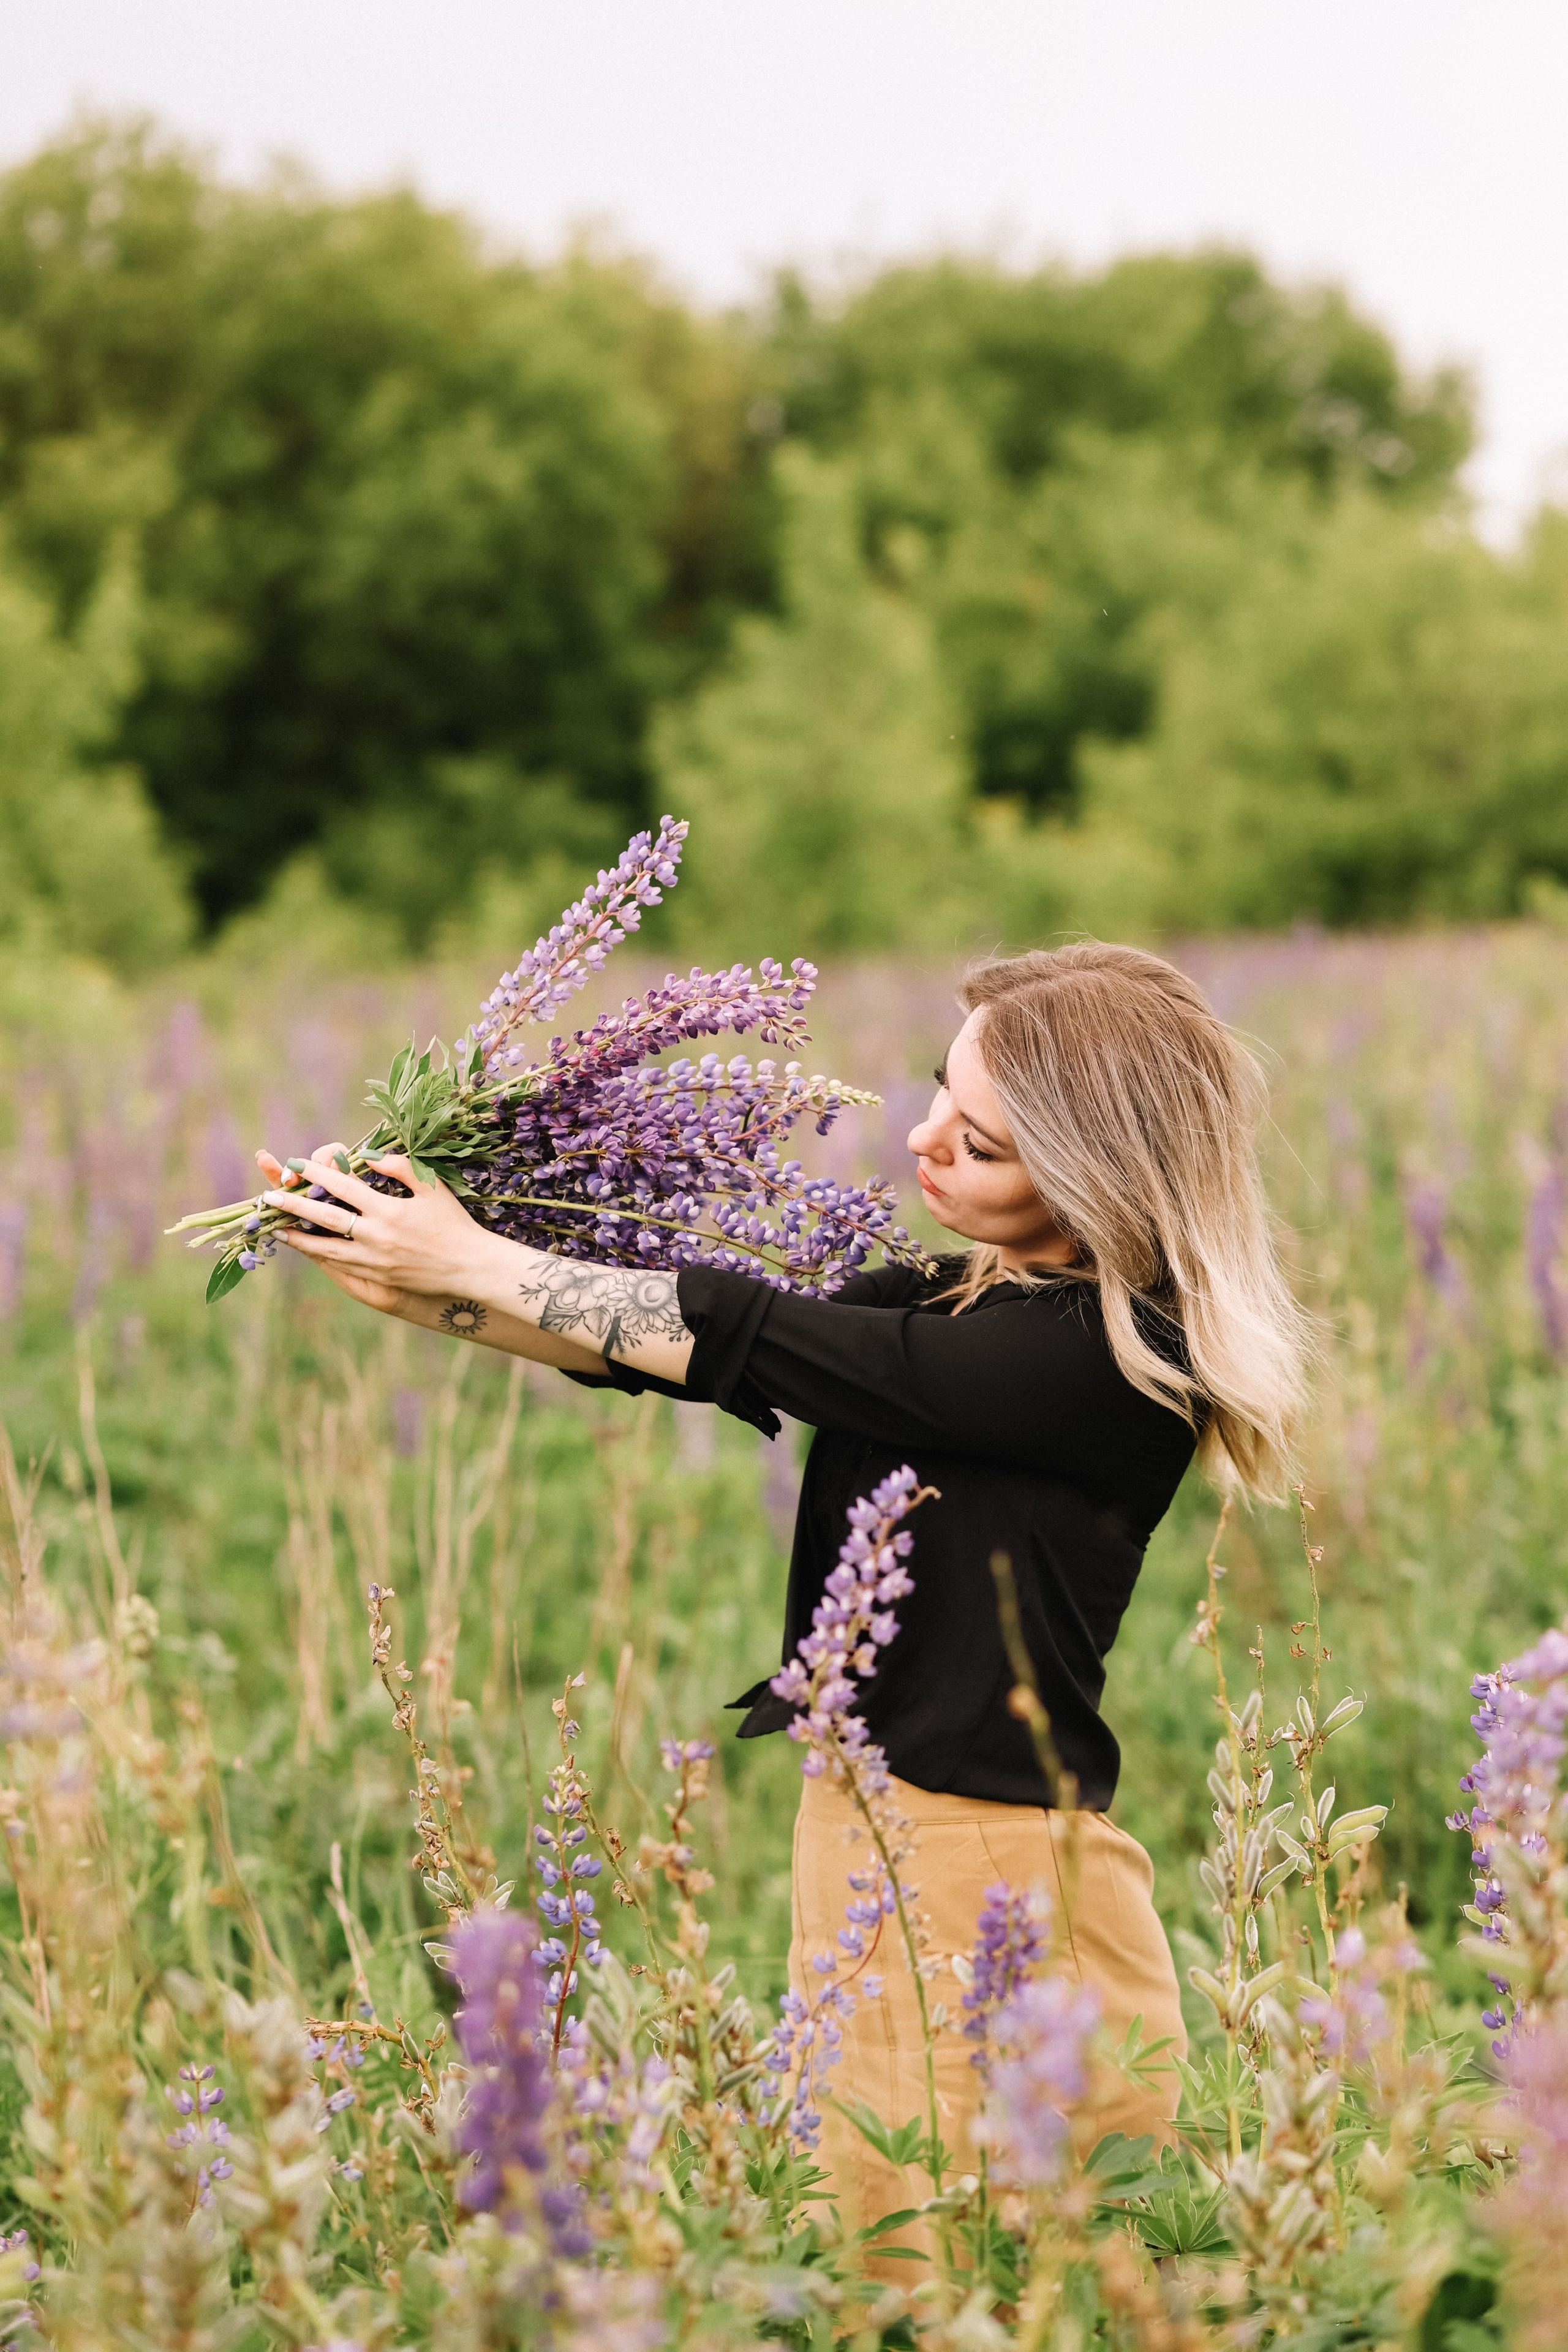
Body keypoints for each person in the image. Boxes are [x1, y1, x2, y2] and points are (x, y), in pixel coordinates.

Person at [257, 940, 1311, 2248]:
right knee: (901, 2252)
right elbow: (676, 1346)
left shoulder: (1109, 1360)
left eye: (979, 1142)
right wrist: (401, 1266)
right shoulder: (959, 1294)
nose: (923, 1136)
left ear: (1092, 1171)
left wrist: (470, 1265)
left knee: (965, 2269)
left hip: (983, 1871)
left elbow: (745, 1335)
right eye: (941, 1089)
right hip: (874, 1830)